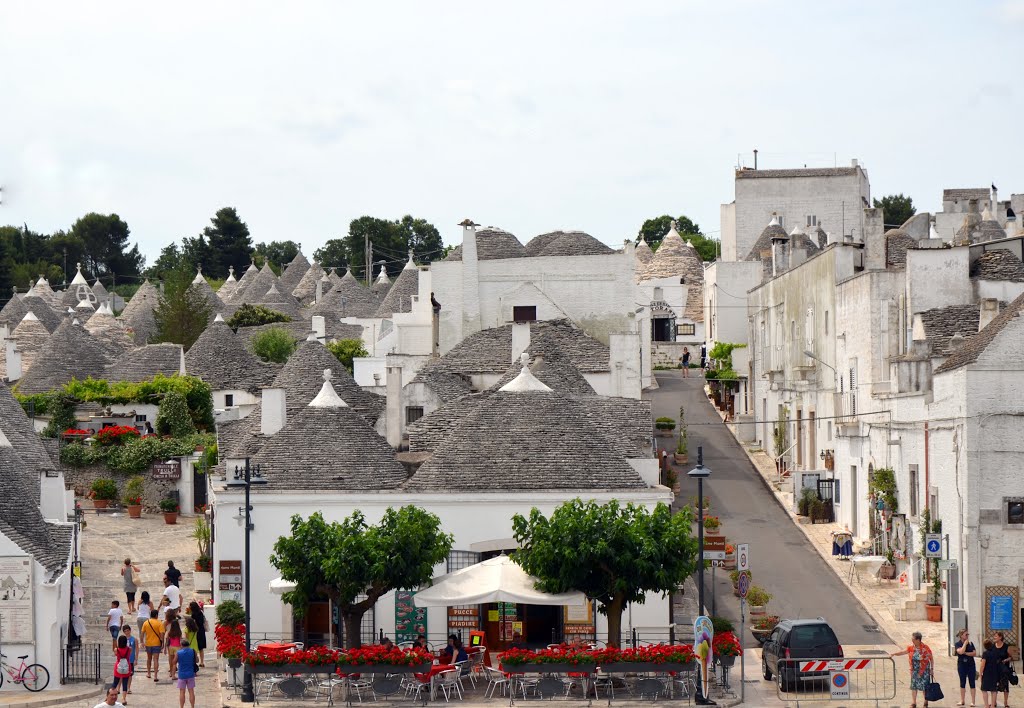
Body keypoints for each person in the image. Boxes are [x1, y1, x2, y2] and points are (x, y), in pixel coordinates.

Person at [891, 631, 934, 708]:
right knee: (914, 686)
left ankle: (925, 702)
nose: (912, 640)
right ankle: (914, 703)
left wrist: (932, 669)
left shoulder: (925, 648)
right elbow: (902, 652)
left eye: (913, 639)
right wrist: (894, 654)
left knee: (925, 686)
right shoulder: (911, 647)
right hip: (914, 670)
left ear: (918, 640)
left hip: (924, 670)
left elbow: (931, 658)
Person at [955, 628, 977, 707]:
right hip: (962, 665)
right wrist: (964, 644)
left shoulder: (971, 643)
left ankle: (973, 701)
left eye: (968, 634)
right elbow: (960, 652)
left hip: (971, 665)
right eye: (966, 634)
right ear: (961, 636)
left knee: (972, 683)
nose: (967, 636)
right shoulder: (957, 644)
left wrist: (965, 653)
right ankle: (962, 700)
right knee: (962, 682)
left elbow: (974, 653)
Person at [140, 609, 165, 681]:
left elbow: (142, 633)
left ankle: (148, 673)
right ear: (156, 615)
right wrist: (162, 643)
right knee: (156, 659)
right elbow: (162, 634)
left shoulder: (146, 622)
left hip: (148, 643)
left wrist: (142, 642)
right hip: (157, 644)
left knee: (149, 659)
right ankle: (155, 676)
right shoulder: (159, 623)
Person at [982, 638, 1003, 708]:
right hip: (995, 672)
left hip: (987, 673)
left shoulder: (985, 653)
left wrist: (980, 673)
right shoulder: (996, 652)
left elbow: (983, 664)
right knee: (993, 690)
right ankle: (993, 705)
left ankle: (986, 705)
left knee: (984, 689)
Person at [993, 631, 1012, 707]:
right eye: (994, 636)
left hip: (1004, 670)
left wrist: (1005, 660)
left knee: (1005, 686)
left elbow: (1010, 657)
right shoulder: (993, 646)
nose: (994, 637)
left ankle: (1005, 702)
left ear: (1000, 637)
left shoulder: (1006, 646)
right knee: (995, 686)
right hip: (995, 669)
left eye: (996, 636)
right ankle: (994, 702)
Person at [176, 641, 198, 708]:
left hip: (181, 675)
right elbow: (197, 660)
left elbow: (174, 662)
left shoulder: (179, 653)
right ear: (188, 645)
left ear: (181, 645)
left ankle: (181, 707)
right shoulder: (193, 651)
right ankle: (192, 706)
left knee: (182, 692)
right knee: (191, 691)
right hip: (190, 674)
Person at [111, 635, 131, 705]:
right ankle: (123, 699)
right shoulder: (129, 649)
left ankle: (109, 696)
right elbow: (129, 655)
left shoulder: (116, 650)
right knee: (125, 683)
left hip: (118, 667)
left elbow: (115, 653)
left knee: (115, 683)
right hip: (126, 667)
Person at [187, 601, 208, 667]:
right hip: (201, 631)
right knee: (201, 648)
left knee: (194, 647)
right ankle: (202, 662)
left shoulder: (193, 614)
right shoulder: (200, 612)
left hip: (195, 631)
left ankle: (194, 661)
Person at [165, 611, 183, 680]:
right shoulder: (179, 632)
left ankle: (171, 672)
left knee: (171, 660)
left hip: (171, 647)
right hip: (177, 647)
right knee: (176, 662)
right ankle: (174, 675)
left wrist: (165, 648)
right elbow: (181, 640)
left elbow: (167, 639)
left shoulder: (170, 632)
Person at [122, 625, 138, 695]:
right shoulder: (122, 639)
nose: (127, 632)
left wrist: (136, 659)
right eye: (125, 631)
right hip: (124, 659)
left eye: (127, 630)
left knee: (130, 674)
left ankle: (128, 688)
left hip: (131, 659)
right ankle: (124, 688)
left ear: (130, 630)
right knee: (123, 674)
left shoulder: (134, 639)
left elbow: (137, 649)